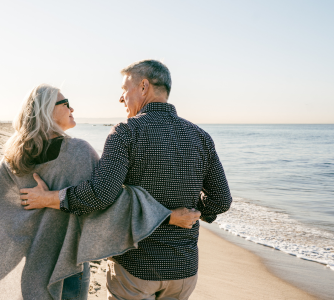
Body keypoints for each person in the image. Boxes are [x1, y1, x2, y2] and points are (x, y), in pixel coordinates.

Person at [20, 60, 232, 300]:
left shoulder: (126, 132)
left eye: (124, 89)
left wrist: (51, 198)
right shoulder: (201, 137)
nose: (121, 98)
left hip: (136, 268)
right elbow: (222, 200)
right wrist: (194, 213)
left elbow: (101, 196)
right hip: (184, 270)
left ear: (143, 87)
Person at [0, 83, 200, 300]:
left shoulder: (15, 155)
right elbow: (110, 201)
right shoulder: (78, 152)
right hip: (66, 267)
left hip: (32, 264)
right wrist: (168, 216)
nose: (72, 108)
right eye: (65, 103)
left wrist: (29, 217)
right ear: (46, 110)